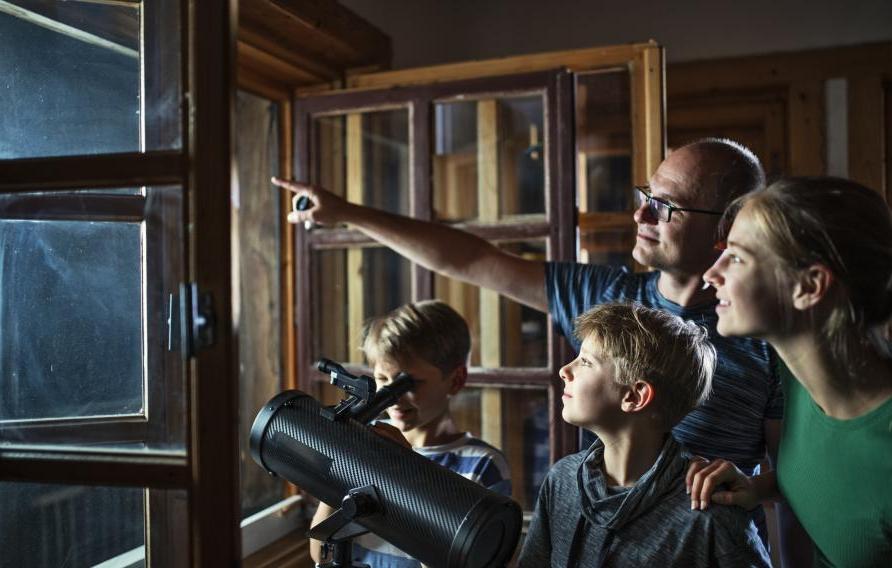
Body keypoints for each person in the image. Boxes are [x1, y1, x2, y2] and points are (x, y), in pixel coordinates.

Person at [277, 138, 788, 548]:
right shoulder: (605, 298)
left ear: (726, 225)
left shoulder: (770, 340)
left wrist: (749, 487)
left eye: (665, 207)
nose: (641, 216)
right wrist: (348, 213)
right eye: (644, 197)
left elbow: (796, 473)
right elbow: (470, 260)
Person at [688, 177, 892, 567]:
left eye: (737, 257)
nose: (711, 274)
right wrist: (757, 487)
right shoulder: (795, 374)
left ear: (810, 285)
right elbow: (838, 475)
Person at [518, 302, 770, 567]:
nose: (564, 371)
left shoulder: (710, 511)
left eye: (586, 362)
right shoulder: (562, 480)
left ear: (635, 396)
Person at [308, 300, 511, 567]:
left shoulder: (483, 467)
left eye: (409, 383)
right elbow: (322, 552)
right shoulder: (364, 444)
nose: (392, 397)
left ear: (456, 380)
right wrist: (342, 463)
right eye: (382, 379)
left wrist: (407, 470)